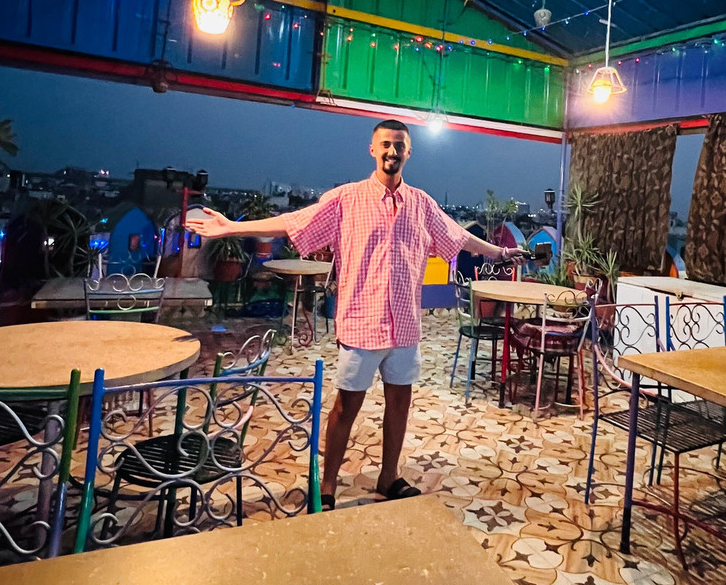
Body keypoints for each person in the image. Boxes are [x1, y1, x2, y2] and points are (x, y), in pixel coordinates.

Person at [186, 119, 525, 510]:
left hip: (405, 326)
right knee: (346, 408)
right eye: (386, 144)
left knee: (400, 404)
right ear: (372, 149)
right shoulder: (346, 199)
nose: (392, 151)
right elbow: (293, 222)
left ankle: (389, 477)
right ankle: (328, 484)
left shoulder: (422, 204)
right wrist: (232, 228)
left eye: (399, 145)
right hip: (362, 324)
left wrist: (500, 252)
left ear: (408, 152)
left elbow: (458, 236)